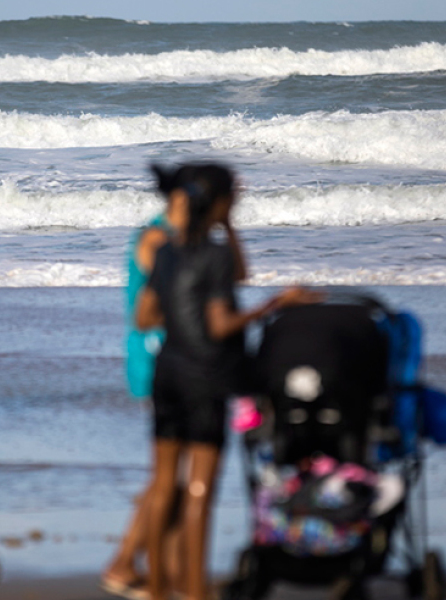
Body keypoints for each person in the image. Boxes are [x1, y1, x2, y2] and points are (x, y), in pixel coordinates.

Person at [134, 163, 320, 600]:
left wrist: (226, 226)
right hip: (206, 377)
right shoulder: (213, 254)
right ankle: (196, 593)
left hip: (168, 374)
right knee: (199, 489)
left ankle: (159, 590)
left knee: (163, 486)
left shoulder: (163, 251)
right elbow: (220, 325)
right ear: (219, 202)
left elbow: (145, 317)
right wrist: (276, 304)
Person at [103, 164, 248, 599]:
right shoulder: (158, 239)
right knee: (168, 475)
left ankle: (164, 568)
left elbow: (229, 277)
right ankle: (126, 560)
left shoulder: (189, 242)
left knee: (175, 475)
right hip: (161, 356)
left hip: (178, 355)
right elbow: (165, 302)